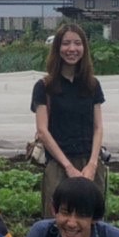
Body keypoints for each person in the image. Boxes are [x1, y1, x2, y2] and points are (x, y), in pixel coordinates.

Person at [31, 22, 106, 218]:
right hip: (58, 165)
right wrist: (68, 167)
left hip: (89, 164)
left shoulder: (92, 84)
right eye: (66, 44)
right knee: (57, 220)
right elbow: (42, 131)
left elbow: (98, 127)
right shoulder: (44, 87)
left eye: (77, 43)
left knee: (91, 220)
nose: (72, 49)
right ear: (57, 48)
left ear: (84, 48)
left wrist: (92, 164)